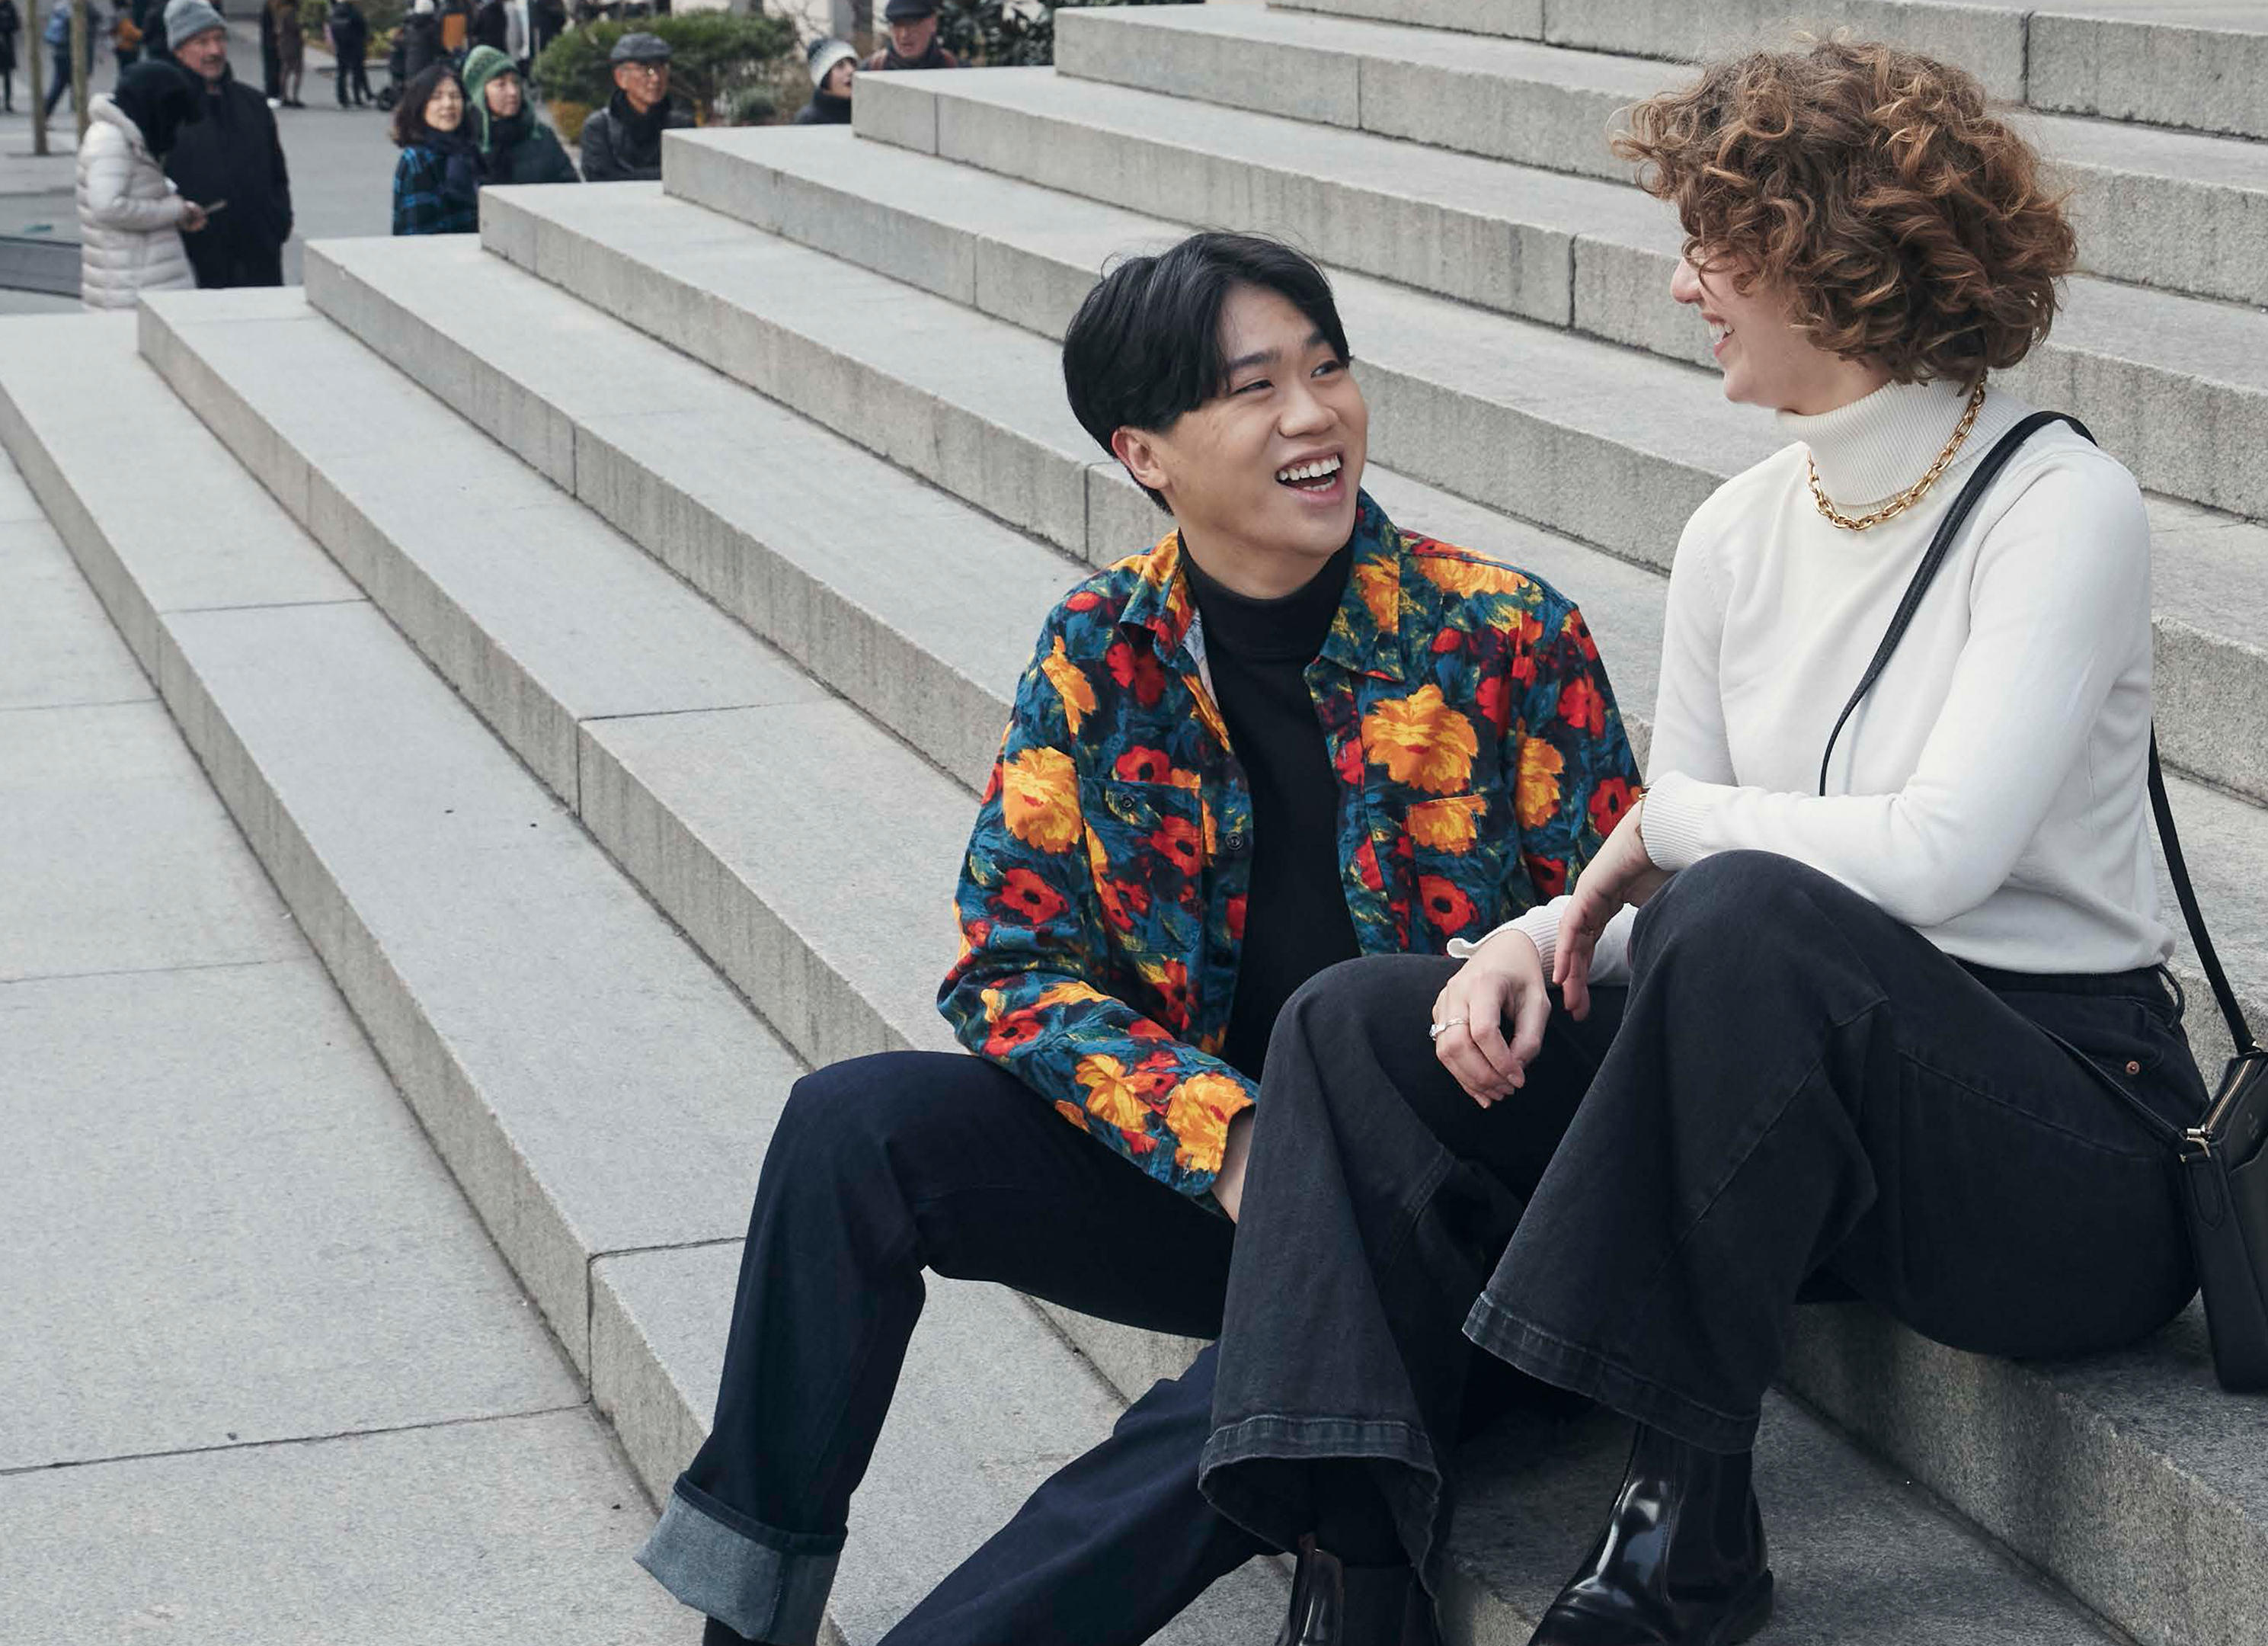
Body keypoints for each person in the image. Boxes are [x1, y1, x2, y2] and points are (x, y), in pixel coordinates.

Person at [1198, 37, 2209, 1646]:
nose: (1683, 286)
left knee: (1742, 915)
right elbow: (1685, 889)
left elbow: (1931, 857)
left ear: (1829, 251)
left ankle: (1686, 1520)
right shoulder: (1738, 531)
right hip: (1807, 1121)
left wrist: (1656, 842)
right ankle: (1358, 1561)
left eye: (1711, 244)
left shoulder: (2059, 505)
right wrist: (1540, 937)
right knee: (1350, 1025)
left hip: (2060, 1139)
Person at [632, 230, 1642, 1646]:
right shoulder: (1104, 647)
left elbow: (1623, 938)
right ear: (1144, 452)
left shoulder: (1504, 634)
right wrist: (1228, 1136)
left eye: (1328, 369)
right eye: (1254, 387)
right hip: (1229, 1188)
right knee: (851, 1127)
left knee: (1253, 1386)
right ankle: (747, 1612)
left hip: (1459, 1239)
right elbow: (1010, 967)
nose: (1313, 416)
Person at [160, 0, 292, 287]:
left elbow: (277, 174)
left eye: (219, 39)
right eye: (202, 42)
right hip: (198, 263)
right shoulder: (163, 112)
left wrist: (278, 221)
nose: (215, 51)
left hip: (260, 258)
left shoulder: (253, 103)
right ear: (179, 50)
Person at [75, 58, 202, 308]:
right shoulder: (112, 141)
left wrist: (181, 208)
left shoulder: (128, 137)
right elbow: (108, 207)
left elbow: (137, 186)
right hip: (132, 285)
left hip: (139, 278)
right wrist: (173, 210)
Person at [576, 30, 684, 182]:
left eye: (661, 68)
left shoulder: (681, 125)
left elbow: (689, 175)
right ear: (621, 78)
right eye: (646, 70)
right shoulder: (600, 127)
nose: (656, 78)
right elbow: (601, 180)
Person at [459, 43, 568, 184]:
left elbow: (570, 185)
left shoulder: (541, 135)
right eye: (501, 84)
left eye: (516, 82)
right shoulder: (465, 140)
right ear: (479, 93)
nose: (513, 92)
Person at [388, 59, 474, 232]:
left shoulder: (468, 151)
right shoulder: (417, 159)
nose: (448, 104)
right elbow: (419, 234)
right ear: (420, 105)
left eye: (455, 96)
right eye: (436, 97)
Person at [859, 0, 955, 72]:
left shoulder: (955, 69)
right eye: (897, 25)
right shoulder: (870, 70)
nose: (904, 35)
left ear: (933, 23)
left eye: (912, 24)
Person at [793, 36, 852, 126]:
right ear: (823, 76)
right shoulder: (808, 121)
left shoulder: (865, 112)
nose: (851, 70)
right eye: (840, 66)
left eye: (852, 63)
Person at [327, 0, 369, 107]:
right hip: (355, 46)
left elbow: (332, 29)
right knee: (356, 72)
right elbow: (363, 26)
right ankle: (357, 97)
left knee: (342, 73)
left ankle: (342, 98)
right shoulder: (353, 11)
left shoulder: (335, 12)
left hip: (341, 47)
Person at [267, 0, 303, 105]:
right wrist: (303, 25)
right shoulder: (291, 12)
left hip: (282, 43)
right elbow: (295, 27)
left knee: (284, 70)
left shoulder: (278, 11)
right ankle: (295, 97)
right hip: (293, 43)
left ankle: (284, 95)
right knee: (298, 71)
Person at [112, 0, 146, 76]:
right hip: (127, 48)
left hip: (122, 47)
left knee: (124, 72)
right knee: (129, 73)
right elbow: (128, 31)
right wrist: (142, 34)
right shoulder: (124, 13)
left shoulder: (120, 12)